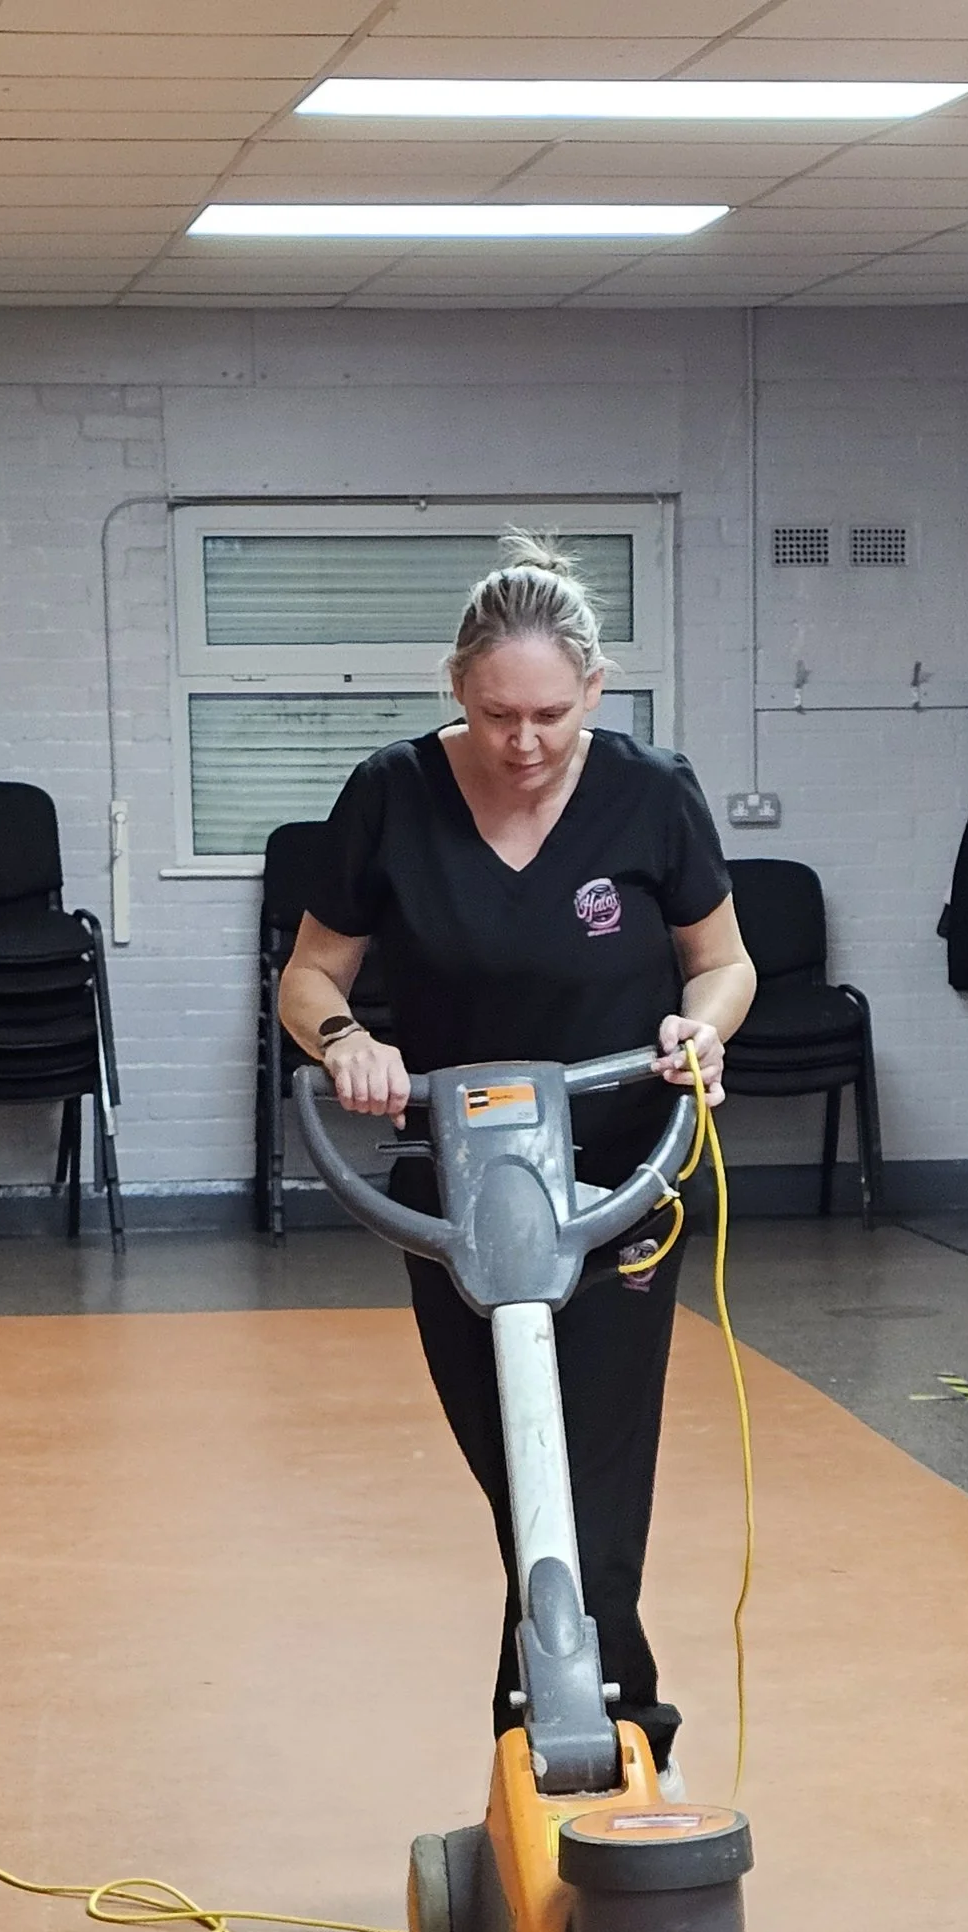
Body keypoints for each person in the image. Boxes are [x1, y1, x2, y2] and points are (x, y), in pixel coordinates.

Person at [279, 535, 756, 1777]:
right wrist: (347, 1044)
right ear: (457, 688)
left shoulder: (651, 793)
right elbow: (311, 973)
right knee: (525, 1490)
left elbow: (724, 962)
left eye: (550, 713)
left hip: (618, 1183)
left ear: (594, 691)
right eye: (497, 714)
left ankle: (579, 1752)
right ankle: (593, 1755)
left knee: (588, 1491)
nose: (525, 742)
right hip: (464, 1198)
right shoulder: (389, 793)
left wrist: (695, 1033)